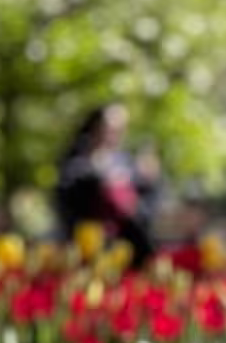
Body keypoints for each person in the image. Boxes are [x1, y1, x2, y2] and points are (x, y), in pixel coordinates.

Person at [52, 103, 159, 256]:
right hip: (87, 240)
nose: (116, 134)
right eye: (111, 128)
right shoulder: (78, 159)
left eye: (121, 129)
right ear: (96, 127)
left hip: (126, 244)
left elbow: (145, 203)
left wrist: (148, 179)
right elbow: (68, 198)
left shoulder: (127, 162)